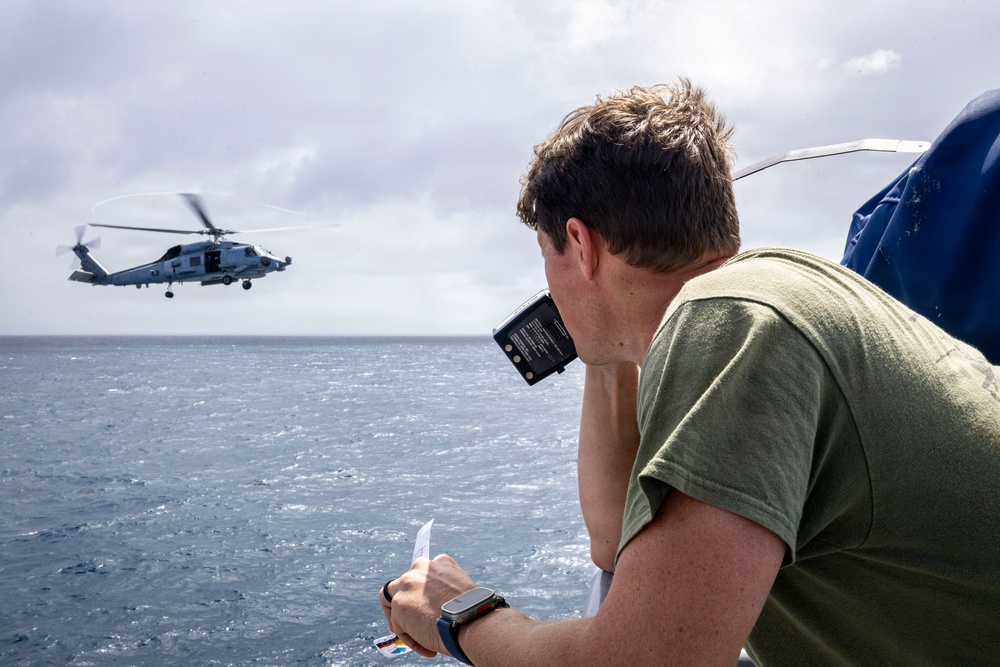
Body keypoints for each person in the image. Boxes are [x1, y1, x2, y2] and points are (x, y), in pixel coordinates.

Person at [379, 80, 1000, 666]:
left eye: (550, 257)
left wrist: (458, 613)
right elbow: (614, 544)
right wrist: (608, 344)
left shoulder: (736, 325)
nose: (550, 285)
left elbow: (649, 661)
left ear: (581, 242)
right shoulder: (765, 298)